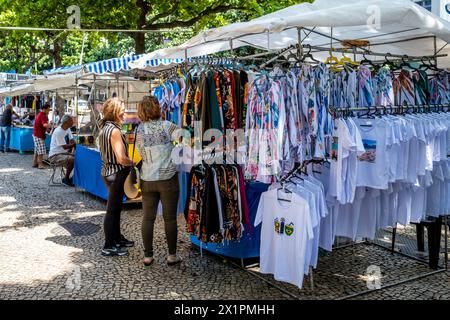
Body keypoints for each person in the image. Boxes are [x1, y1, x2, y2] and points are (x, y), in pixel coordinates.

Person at [135, 96, 182, 267]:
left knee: (148, 218)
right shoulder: (168, 126)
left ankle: (148, 256)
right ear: (157, 108)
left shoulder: (139, 130)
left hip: (147, 178)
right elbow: (185, 138)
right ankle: (171, 256)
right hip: (167, 178)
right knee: (170, 219)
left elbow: (140, 152)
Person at [98, 97, 135, 257]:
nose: (125, 112)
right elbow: (121, 158)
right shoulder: (114, 131)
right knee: (112, 210)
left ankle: (117, 238)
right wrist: (132, 162)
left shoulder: (105, 128)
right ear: (115, 112)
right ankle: (109, 244)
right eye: (123, 110)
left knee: (116, 208)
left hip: (108, 172)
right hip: (116, 173)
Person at [48, 114, 76, 186]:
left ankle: (74, 178)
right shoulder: (58, 131)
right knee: (72, 159)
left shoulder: (67, 128)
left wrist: (73, 145)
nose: (73, 122)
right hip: (54, 155)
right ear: (66, 122)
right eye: (71, 121)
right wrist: (73, 145)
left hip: (62, 153)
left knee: (78, 158)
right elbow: (64, 147)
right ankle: (66, 178)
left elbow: (71, 140)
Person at [33, 104, 52, 169]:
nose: (49, 111)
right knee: (41, 150)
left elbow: (43, 125)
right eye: (48, 109)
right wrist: (52, 126)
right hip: (39, 135)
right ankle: (40, 164)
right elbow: (45, 125)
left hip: (36, 134)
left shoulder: (39, 114)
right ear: (45, 109)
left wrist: (47, 129)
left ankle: (35, 162)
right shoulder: (43, 115)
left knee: (37, 150)